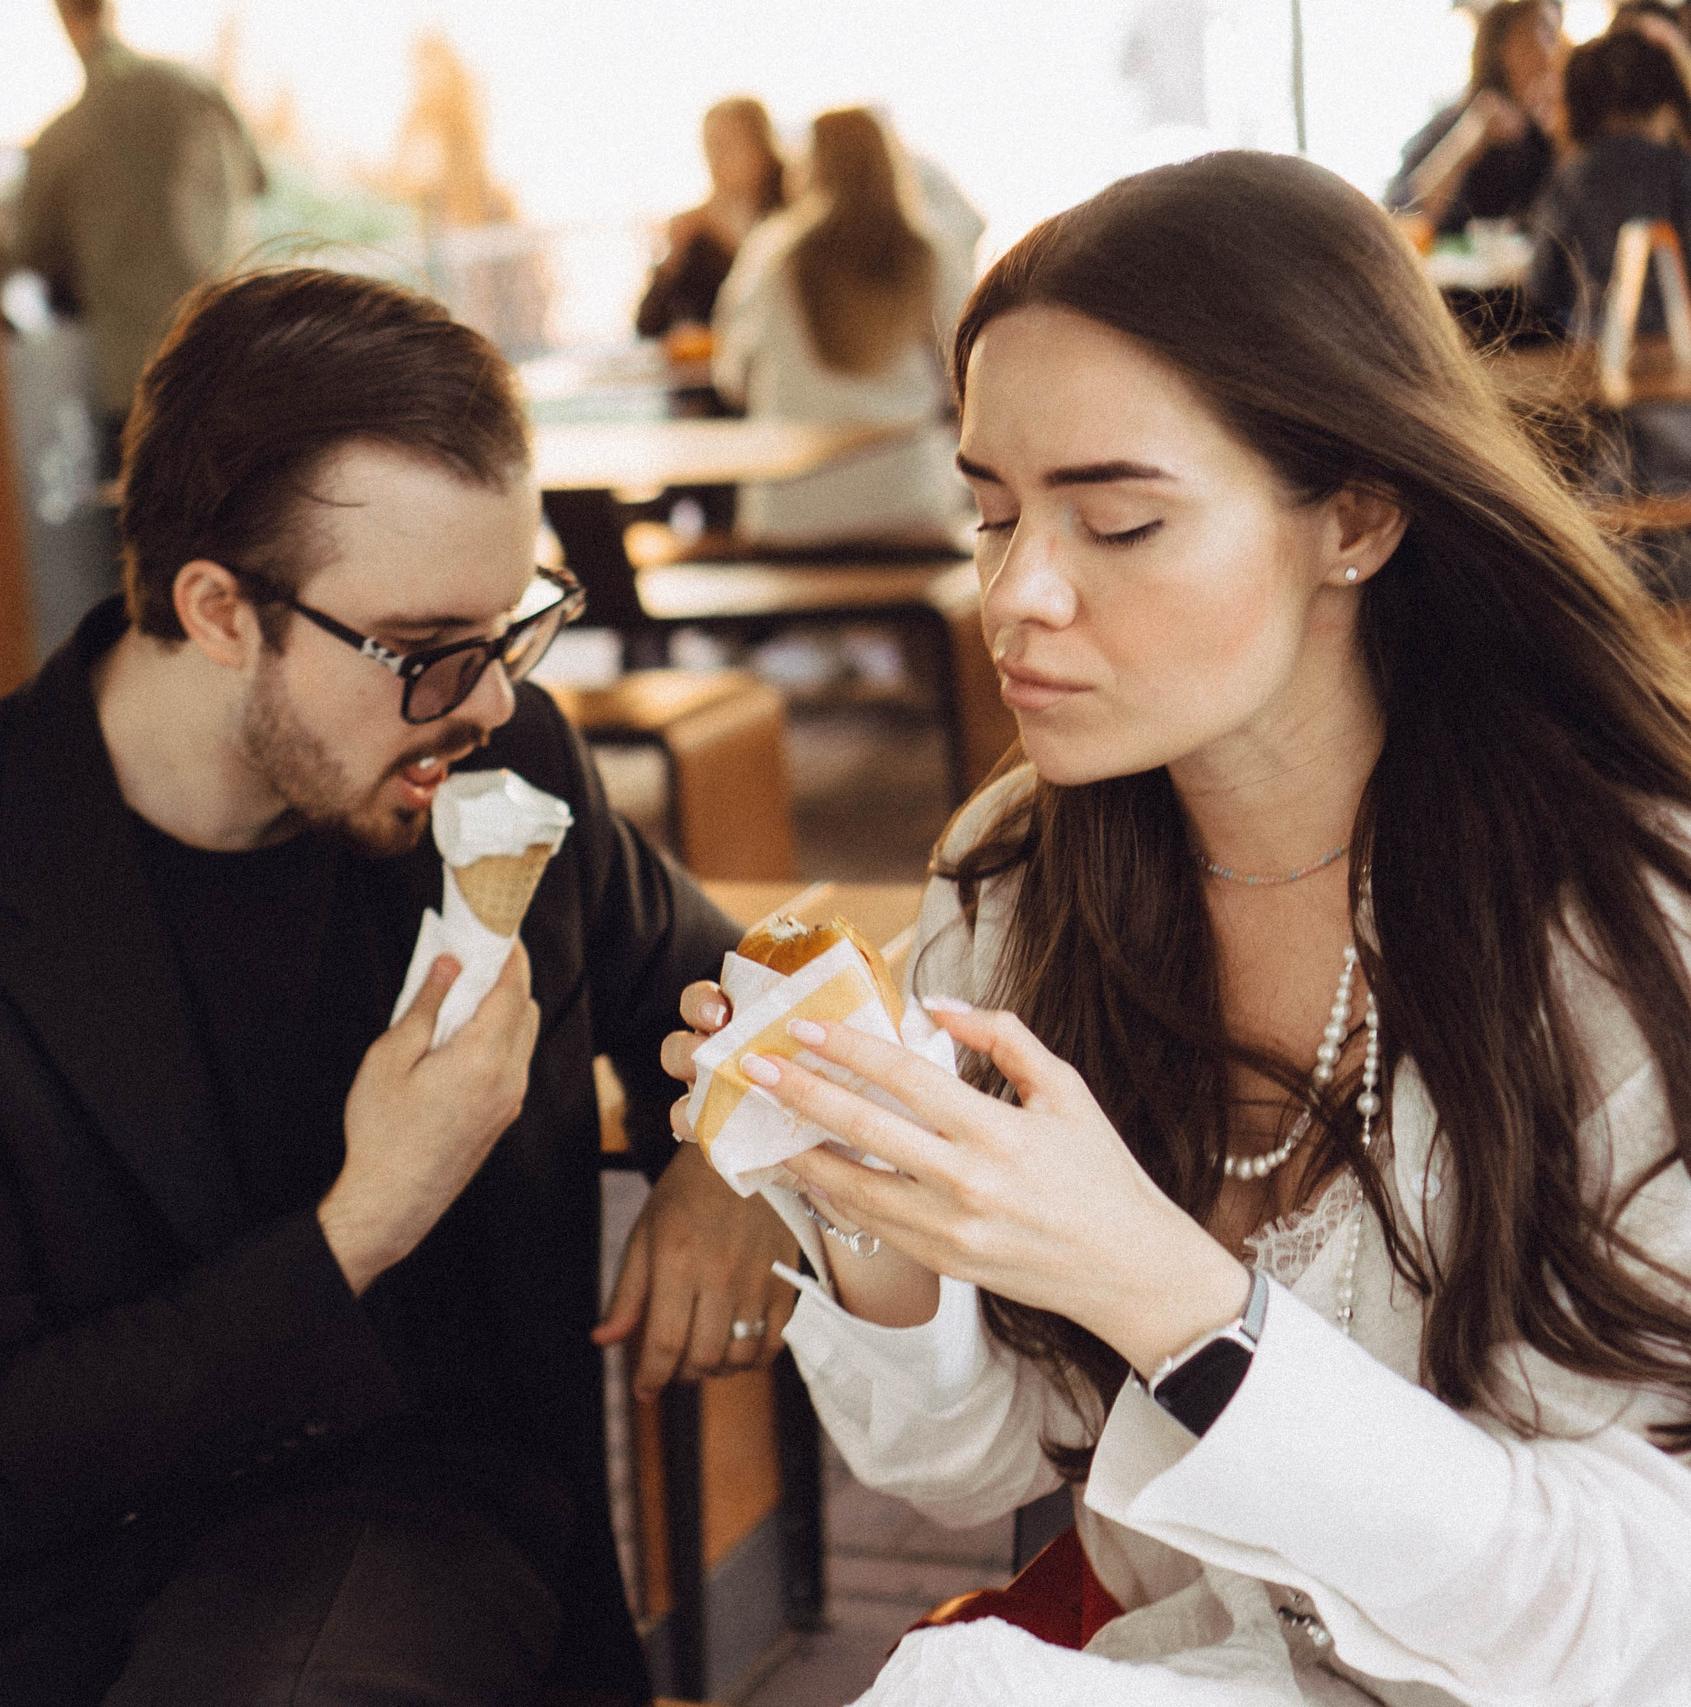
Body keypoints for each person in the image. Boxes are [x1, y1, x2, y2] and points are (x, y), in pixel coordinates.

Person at [667, 151, 1691, 1701]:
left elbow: (1624, 1627)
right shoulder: (1022, 875)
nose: (1019, 595)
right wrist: (871, 1191)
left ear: (1355, 516)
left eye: (1119, 523)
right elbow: (971, 1457)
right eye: (993, 516)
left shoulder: (1624, 919)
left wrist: (1159, 1279)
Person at [0, 267, 802, 1707]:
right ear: (218, 608)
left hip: (416, 1530)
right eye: (432, 651)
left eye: (516, 623)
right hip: (26, 1582)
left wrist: (734, 1162)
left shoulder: (499, 769)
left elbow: (751, 994)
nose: (492, 694)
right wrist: (364, 1218)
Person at [9, 0, 265, 466]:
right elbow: (258, 181)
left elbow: (30, 256)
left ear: (62, 17)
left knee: (152, 532)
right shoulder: (194, 90)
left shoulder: (59, 139)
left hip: (136, 384)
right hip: (233, 357)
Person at [710, 107, 968, 548]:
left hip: (789, 512)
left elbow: (731, 378)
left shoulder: (772, 255)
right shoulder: (930, 253)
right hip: (909, 500)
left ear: (808, 168)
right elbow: (965, 375)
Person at [1527, 26, 1691, 336]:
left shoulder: (1575, 174)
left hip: (1603, 350)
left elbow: (1544, 283)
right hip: (1681, 350)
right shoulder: (1680, 168)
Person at [1386, 0, 1565, 239]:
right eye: (1535, 32)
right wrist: (1468, 143)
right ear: (1499, 47)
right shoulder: (1458, 120)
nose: (1546, 47)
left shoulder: (1548, 134)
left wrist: (1562, 135)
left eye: (1552, 32)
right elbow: (1403, 213)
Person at [636, 97, 787, 344]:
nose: (715, 159)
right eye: (710, 146)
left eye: (727, 145)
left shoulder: (793, 222)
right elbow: (648, 327)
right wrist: (671, 260)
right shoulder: (693, 231)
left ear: (762, 147)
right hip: (711, 376)